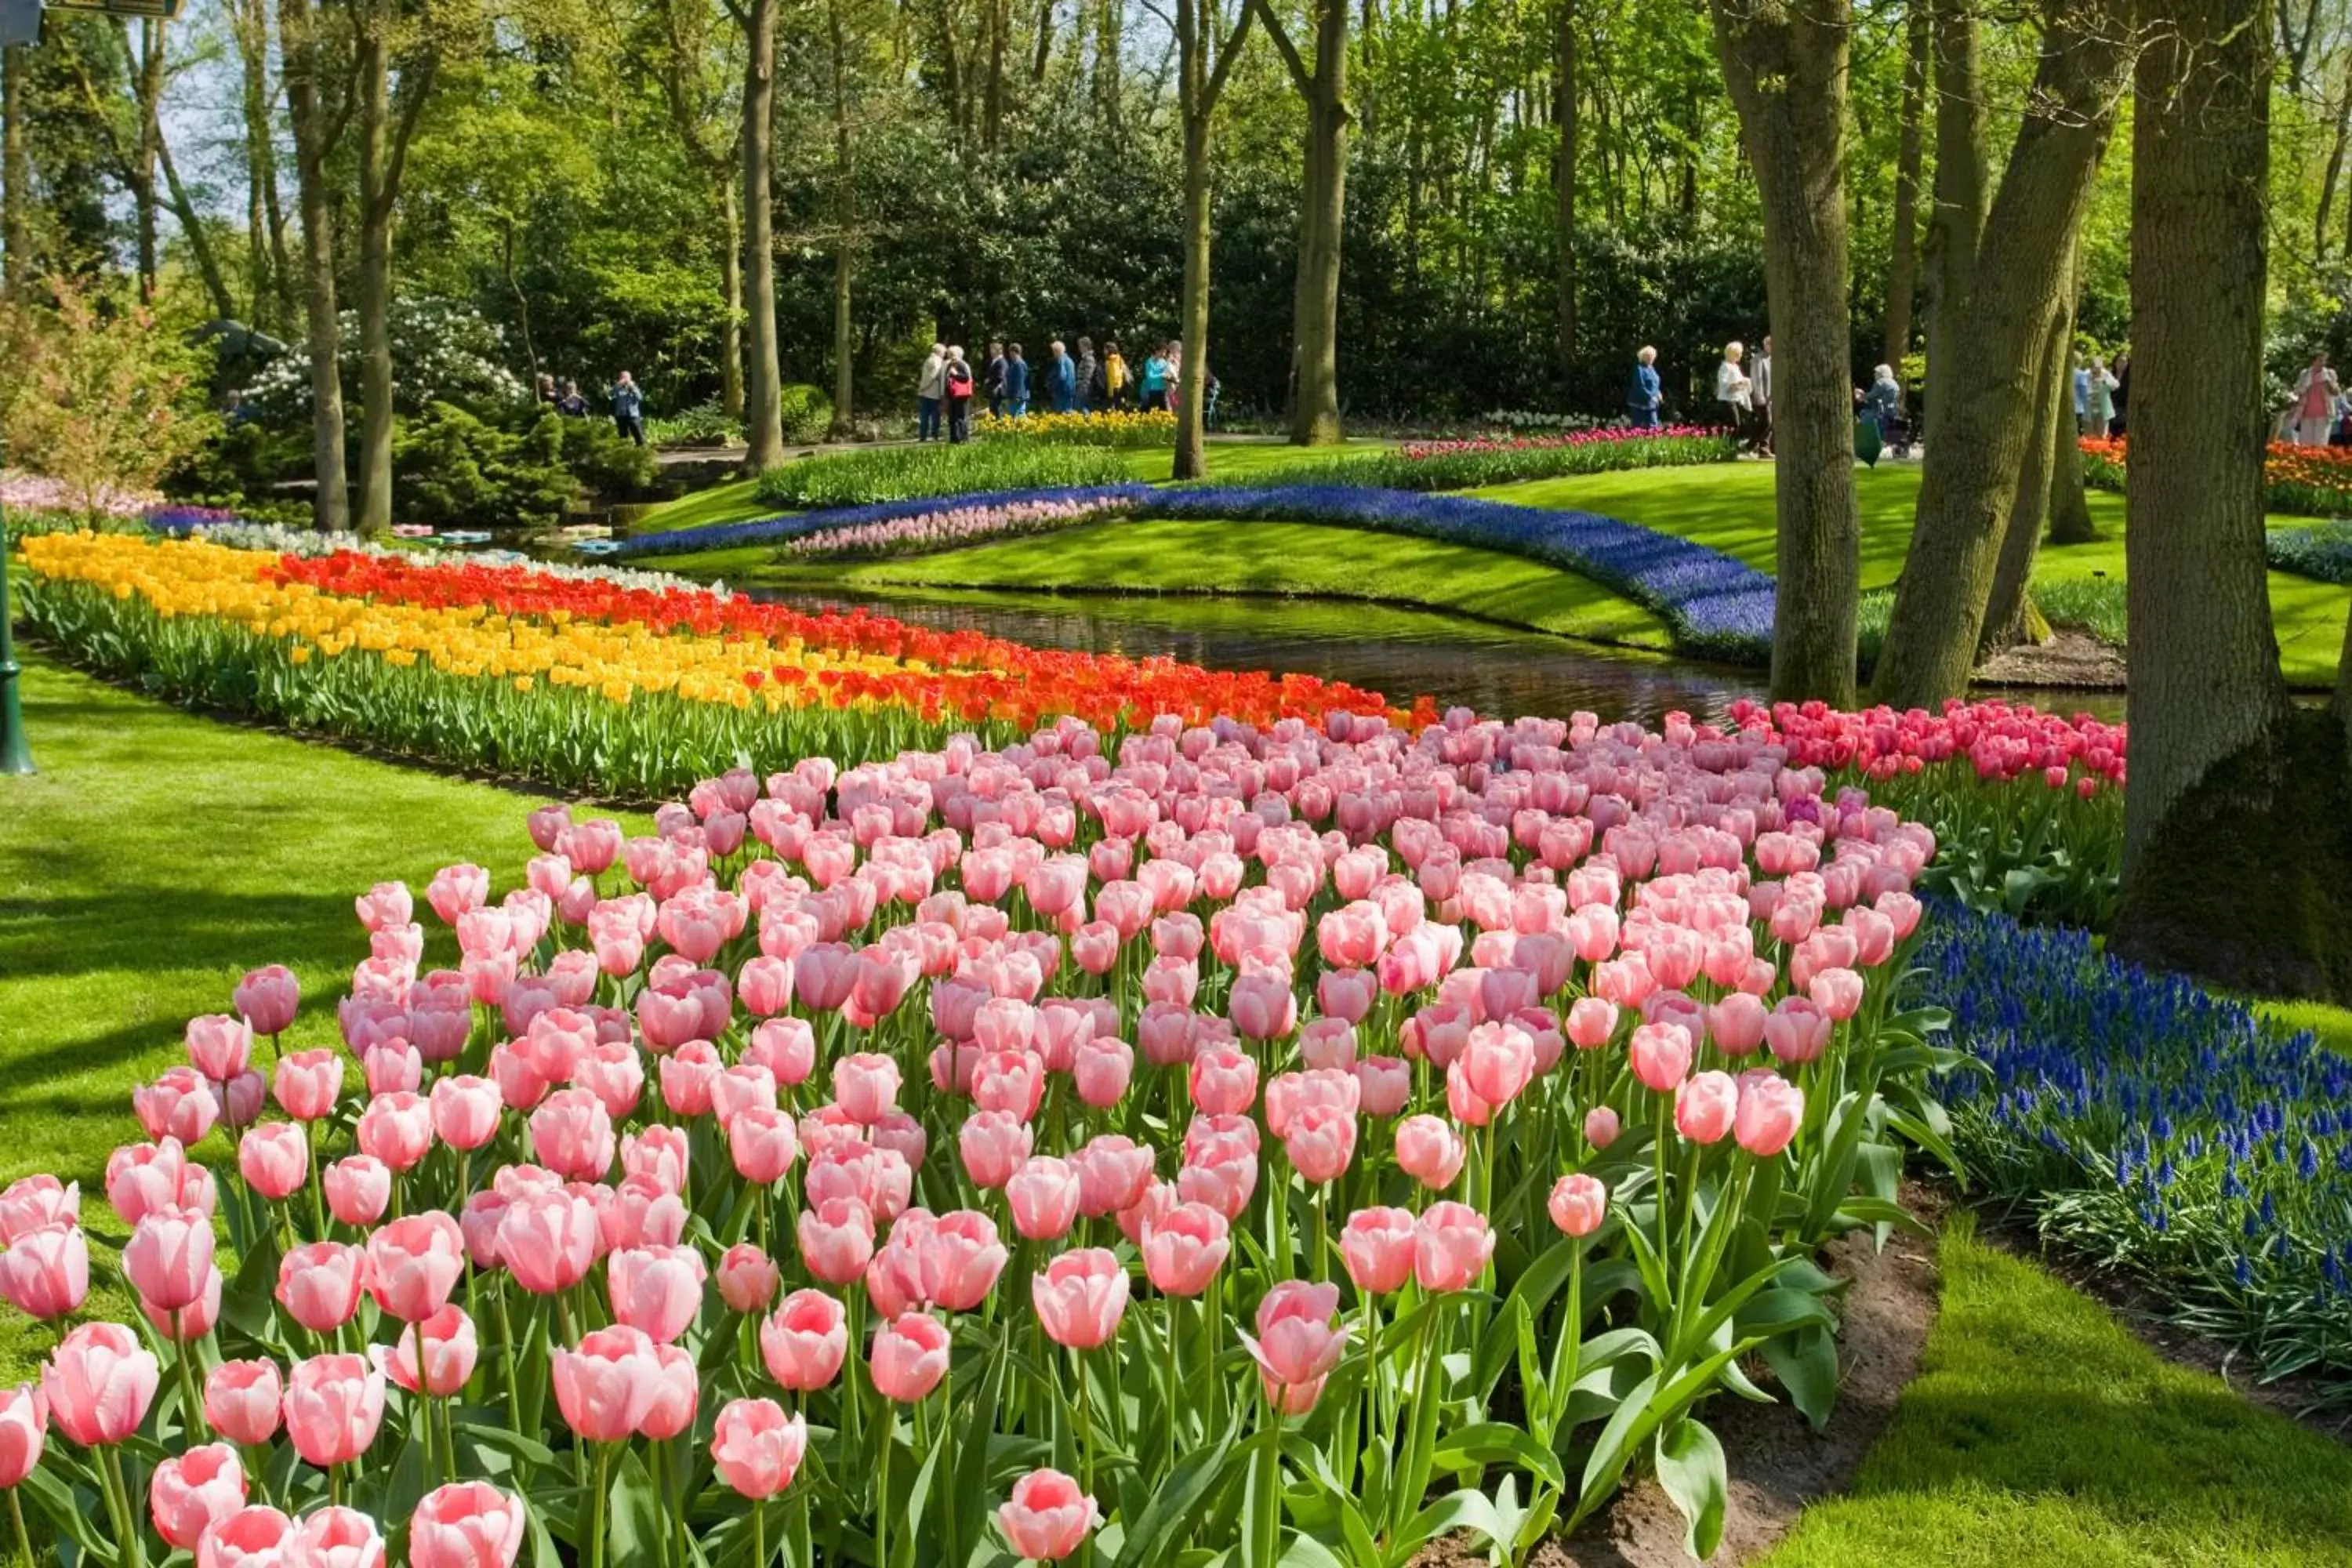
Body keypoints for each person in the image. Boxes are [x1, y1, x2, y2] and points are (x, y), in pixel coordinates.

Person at [2291, 353, 2340, 447]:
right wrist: (2305, 386)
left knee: (2320, 445)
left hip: (2324, 414)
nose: (2323, 363)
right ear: (2313, 361)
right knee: (2305, 445)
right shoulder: (2305, 374)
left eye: (2324, 360)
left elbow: (2337, 392)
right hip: (2306, 414)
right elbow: (2296, 391)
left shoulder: (2330, 373)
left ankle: (2319, 462)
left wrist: (2329, 382)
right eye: (2320, 360)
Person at [1860, 364, 1907, 457]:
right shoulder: (1894, 383)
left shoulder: (1880, 382)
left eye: (1876, 373)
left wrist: (1862, 396)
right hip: (1893, 410)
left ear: (1881, 374)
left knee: (1864, 415)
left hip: (1882, 411)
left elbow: (1873, 395)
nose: (1874, 375)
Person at [1715, 341, 1755, 450]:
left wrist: (1745, 383)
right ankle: (1728, 447)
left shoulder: (1735, 367)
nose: (1740, 356)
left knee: (1737, 424)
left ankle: (1732, 447)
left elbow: (1741, 380)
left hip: (1736, 399)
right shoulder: (1725, 367)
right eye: (1738, 354)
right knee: (1734, 424)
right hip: (1727, 400)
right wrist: (1737, 385)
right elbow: (1723, 384)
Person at [943, 347, 976, 443]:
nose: (951, 356)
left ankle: (963, 438)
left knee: (961, 416)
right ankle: (954, 438)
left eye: (953, 354)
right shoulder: (950, 365)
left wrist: (956, 374)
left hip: (962, 395)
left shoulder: (962, 364)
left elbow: (966, 378)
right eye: (949, 354)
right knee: (953, 417)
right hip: (952, 394)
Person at [916, 343, 948, 441]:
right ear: (939, 352)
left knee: (924, 415)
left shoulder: (928, 360)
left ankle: (923, 435)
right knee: (935, 415)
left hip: (924, 393)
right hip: (933, 393)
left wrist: (922, 388)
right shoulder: (937, 361)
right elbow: (934, 376)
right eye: (944, 352)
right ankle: (934, 435)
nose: (944, 354)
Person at [1626, 347, 1663, 428]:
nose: (1650, 358)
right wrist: (1651, 396)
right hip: (1639, 402)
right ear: (1643, 357)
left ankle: (1653, 440)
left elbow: (1655, 384)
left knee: (1653, 425)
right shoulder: (1639, 369)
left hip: (1652, 403)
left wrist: (1658, 393)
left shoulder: (1652, 368)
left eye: (1652, 355)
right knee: (1637, 427)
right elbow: (1639, 386)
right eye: (1648, 355)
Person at [2084, 355, 2118, 439]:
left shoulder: (2106, 374)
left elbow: (2116, 385)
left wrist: (2105, 381)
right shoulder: (2085, 375)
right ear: (2091, 368)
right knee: (2089, 436)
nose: (2096, 373)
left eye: (2099, 370)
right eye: (2094, 370)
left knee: (2102, 436)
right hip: (2089, 411)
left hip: (2103, 411)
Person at [1753, 336, 1775, 456]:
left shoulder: (1772, 359)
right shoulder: (1758, 359)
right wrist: (1759, 395)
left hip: (1771, 397)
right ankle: (1753, 445)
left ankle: (1763, 447)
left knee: (1768, 422)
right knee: (1767, 422)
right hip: (1762, 397)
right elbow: (1757, 378)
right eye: (1770, 345)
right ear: (1765, 345)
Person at [611, 371, 646, 445]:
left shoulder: (634, 388)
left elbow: (640, 398)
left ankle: (642, 452)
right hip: (621, 415)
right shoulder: (617, 388)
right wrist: (617, 385)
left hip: (633, 415)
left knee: (639, 435)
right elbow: (610, 395)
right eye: (622, 377)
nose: (624, 379)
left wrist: (632, 388)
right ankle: (625, 453)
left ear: (630, 378)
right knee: (623, 437)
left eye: (626, 377)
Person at [1044, 339, 1076, 414]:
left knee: (1059, 414)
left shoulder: (1061, 361)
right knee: (1068, 413)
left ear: (1057, 351)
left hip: (1061, 391)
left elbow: (1062, 376)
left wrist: (1052, 386)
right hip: (1070, 390)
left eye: (1054, 351)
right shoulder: (1070, 360)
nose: (1053, 354)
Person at [1140, 344, 1172, 412]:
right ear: (1157, 351)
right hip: (1154, 391)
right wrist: (1161, 375)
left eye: (1165, 352)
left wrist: (1169, 376)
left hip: (1163, 390)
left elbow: (1167, 372)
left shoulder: (1163, 362)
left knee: (1165, 412)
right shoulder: (1149, 362)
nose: (1164, 354)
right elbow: (1150, 377)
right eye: (1162, 352)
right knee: (1154, 412)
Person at [1003, 343, 1032, 417]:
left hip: (1018, 396)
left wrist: (1018, 396)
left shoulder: (1019, 364)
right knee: (1016, 415)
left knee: (1018, 415)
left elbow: (1020, 381)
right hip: (1014, 395)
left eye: (1011, 352)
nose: (1010, 355)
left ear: (1015, 352)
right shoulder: (1015, 364)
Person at [1073, 337, 1098, 416]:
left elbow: (1089, 374)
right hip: (1082, 386)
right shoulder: (1085, 358)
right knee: (1081, 408)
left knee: (1080, 407)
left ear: (1086, 346)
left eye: (1080, 346)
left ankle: (1087, 423)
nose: (1079, 348)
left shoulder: (1089, 358)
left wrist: (1084, 386)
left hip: (1084, 387)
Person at [984, 340, 1009, 419]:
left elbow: (1000, 376)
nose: (991, 352)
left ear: (999, 351)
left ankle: (999, 428)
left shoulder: (1001, 362)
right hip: (993, 391)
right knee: (993, 411)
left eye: (993, 350)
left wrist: (989, 380)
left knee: (997, 411)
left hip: (998, 391)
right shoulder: (994, 361)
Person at [1102, 342, 1130, 411]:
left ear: (1109, 350)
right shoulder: (1119, 358)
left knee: (1113, 408)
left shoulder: (1111, 360)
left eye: (1105, 349)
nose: (1103, 351)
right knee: (1119, 407)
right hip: (1120, 386)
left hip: (1114, 387)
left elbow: (1115, 374)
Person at [2108, 351, 2130, 437]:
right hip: (2109, 409)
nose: (2122, 364)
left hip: (2123, 410)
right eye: (2119, 361)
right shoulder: (2110, 375)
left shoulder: (2130, 377)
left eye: (2124, 361)